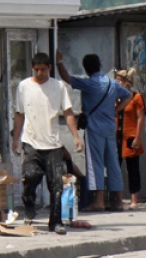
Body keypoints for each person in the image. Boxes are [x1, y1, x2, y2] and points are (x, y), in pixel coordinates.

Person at [12, 52, 84, 234]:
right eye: (36, 70)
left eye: (43, 70)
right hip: (31, 141)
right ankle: (29, 200)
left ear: (49, 68)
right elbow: (19, 114)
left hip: (53, 144)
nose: (40, 73)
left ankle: (56, 221)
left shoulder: (58, 87)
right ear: (32, 69)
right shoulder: (24, 87)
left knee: (56, 186)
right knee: (31, 175)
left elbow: (68, 113)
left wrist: (75, 136)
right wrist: (16, 139)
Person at [56, 51, 133, 212]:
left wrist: (59, 62)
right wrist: (116, 111)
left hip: (94, 128)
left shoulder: (89, 84)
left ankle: (99, 201)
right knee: (113, 163)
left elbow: (67, 78)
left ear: (86, 69)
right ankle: (118, 201)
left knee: (95, 164)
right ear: (99, 66)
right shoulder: (112, 83)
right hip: (109, 127)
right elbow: (128, 96)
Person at [114, 68, 145, 210]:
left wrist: (138, 137)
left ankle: (134, 200)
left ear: (127, 83)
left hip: (131, 136)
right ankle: (118, 200)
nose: (117, 83)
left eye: (120, 81)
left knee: (133, 169)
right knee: (115, 168)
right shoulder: (115, 97)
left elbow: (140, 118)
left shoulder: (136, 97)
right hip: (116, 137)